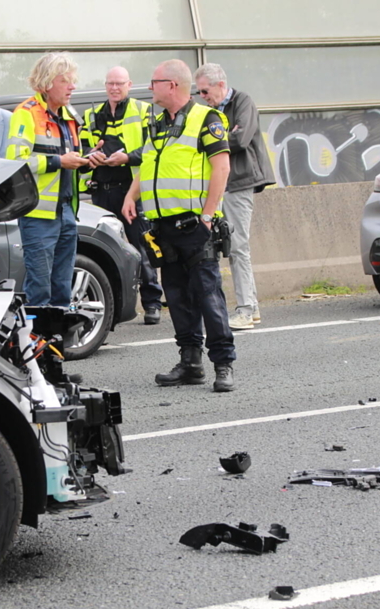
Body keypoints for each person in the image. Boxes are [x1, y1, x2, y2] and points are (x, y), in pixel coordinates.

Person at [123, 59, 236, 392]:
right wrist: (132, 195)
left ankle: (223, 363)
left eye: (154, 81)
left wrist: (208, 214)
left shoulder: (207, 119)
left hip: (195, 226)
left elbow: (222, 168)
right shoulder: (157, 123)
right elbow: (147, 164)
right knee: (177, 297)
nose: (149, 87)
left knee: (207, 295)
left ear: (171, 85)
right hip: (164, 228)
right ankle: (190, 363)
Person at [5, 53, 91, 307]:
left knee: (62, 289)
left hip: (66, 211)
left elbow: (72, 157)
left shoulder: (69, 115)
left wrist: (88, 160)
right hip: (38, 214)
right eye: (65, 81)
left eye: (72, 80)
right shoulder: (26, 113)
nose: (72, 86)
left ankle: (58, 344)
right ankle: (37, 344)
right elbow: (16, 162)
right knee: (40, 289)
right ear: (47, 83)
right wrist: (59, 162)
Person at [81, 66, 163, 325]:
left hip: (131, 191)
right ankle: (112, 307)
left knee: (141, 246)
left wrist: (127, 157)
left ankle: (152, 303)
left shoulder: (143, 110)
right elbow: (82, 148)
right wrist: (92, 154)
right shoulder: (92, 114)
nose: (114, 88)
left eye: (119, 83)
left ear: (129, 85)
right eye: (110, 84)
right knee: (108, 250)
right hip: (102, 191)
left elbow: (153, 147)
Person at [194, 64, 274, 331]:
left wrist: (211, 139)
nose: (202, 96)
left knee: (238, 246)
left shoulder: (242, 101)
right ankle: (251, 306)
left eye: (205, 90)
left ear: (220, 85)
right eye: (199, 92)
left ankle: (245, 309)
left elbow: (240, 138)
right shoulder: (209, 111)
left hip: (240, 180)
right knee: (226, 245)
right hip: (221, 183)